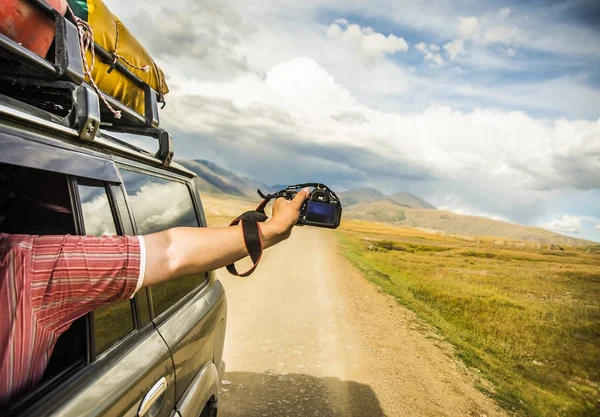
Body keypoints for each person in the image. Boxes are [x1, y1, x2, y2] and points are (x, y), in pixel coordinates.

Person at [0, 188, 310, 406]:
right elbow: (169, 252)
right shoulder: (26, 266)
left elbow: (172, 252)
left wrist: (271, 229)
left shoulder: (26, 265)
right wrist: (273, 229)